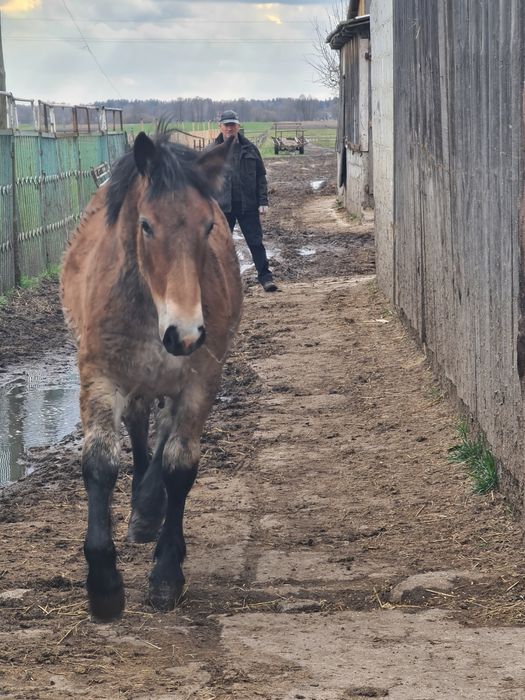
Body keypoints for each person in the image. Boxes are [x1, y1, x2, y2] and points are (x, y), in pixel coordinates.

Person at [213, 110, 278, 292]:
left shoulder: (250, 149)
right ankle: (221, 284)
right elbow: (203, 181)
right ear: (220, 127)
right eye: (226, 125)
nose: (229, 128)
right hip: (222, 208)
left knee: (255, 243)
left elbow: (260, 177)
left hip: (247, 205)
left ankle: (266, 278)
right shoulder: (212, 151)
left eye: (232, 124)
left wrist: (262, 201)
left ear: (238, 126)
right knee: (220, 247)